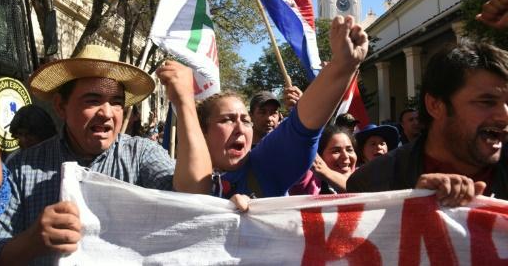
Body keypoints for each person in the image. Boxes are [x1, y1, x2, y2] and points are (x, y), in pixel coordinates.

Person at [0, 45, 212, 265]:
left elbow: (195, 195)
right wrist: (33, 241)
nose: (107, 113)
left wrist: (185, 102)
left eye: (117, 103)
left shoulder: (140, 155)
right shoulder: (21, 167)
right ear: (61, 106)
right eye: (93, 100)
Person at [198, 15, 368, 199]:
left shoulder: (265, 164)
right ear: (202, 131)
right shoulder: (174, 179)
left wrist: (342, 66)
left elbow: (302, 128)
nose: (240, 128)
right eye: (227, 120)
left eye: (246, 120)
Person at [347, 40, 508, 205]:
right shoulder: (372, 182)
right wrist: (408, 209)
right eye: (486, 102)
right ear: (435, 105)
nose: (504, 116)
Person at [289, 125, 357, 195]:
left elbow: (361, 191)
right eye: (336, 151)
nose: (345, 156)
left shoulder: (366, 176)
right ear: (319, 157)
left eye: (349, 150)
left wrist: (326, 171)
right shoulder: (310, 183)